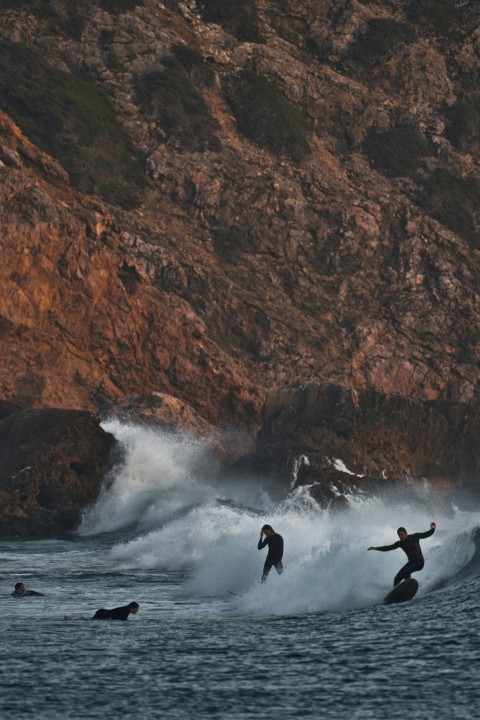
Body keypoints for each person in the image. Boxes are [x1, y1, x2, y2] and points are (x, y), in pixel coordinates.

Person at [368, 522, 436, 586]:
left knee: (407, 571)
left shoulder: (415, 536)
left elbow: (427, 534)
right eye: (399, 535)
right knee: (397, 578)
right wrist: (376, 548)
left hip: (420, 562)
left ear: (406, 533)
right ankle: (395, 593)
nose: (400, 536)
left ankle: (407, 587)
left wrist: (433, 528)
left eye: (401, 534)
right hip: (411, 563)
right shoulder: (400, 543)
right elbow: (388, 547)